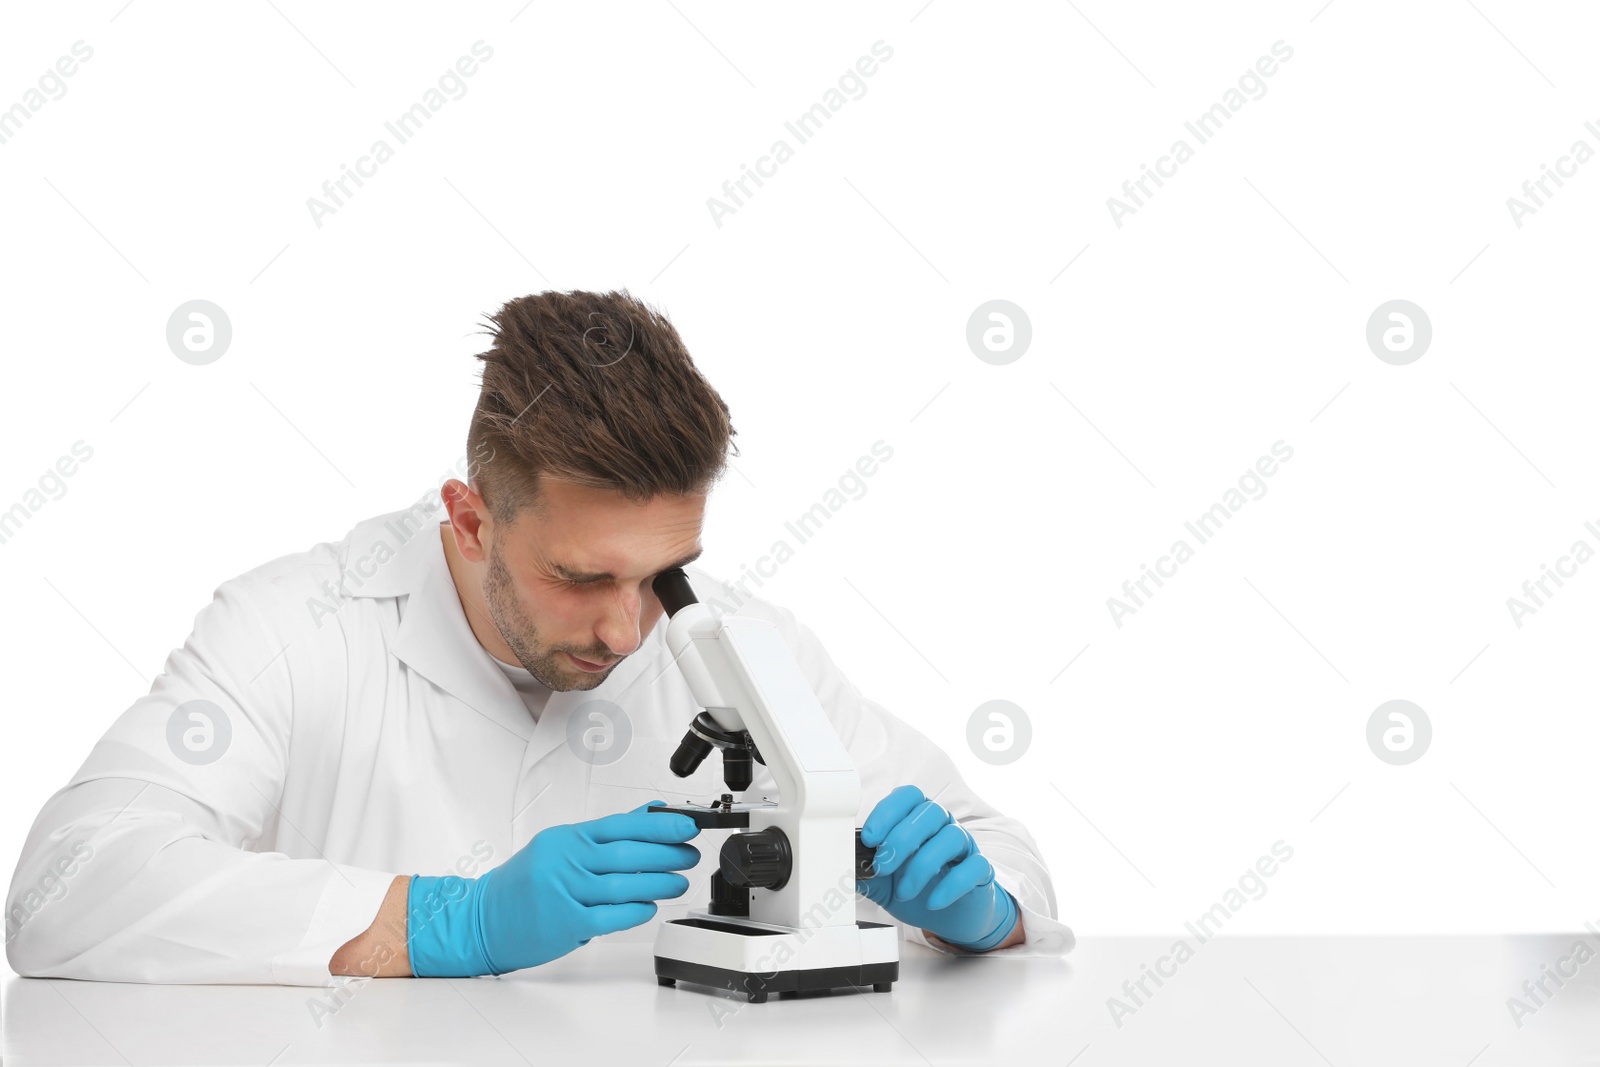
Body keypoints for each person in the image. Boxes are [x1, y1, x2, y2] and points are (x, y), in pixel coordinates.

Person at [4, 290, 1074, 985]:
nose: (628, 625)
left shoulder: (744, 648)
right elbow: (66, 887)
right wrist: (442, 921)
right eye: (580, 575)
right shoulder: (299, 625)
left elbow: (1005, 855)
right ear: (469, 519)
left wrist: (984, 907)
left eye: (663, 572)